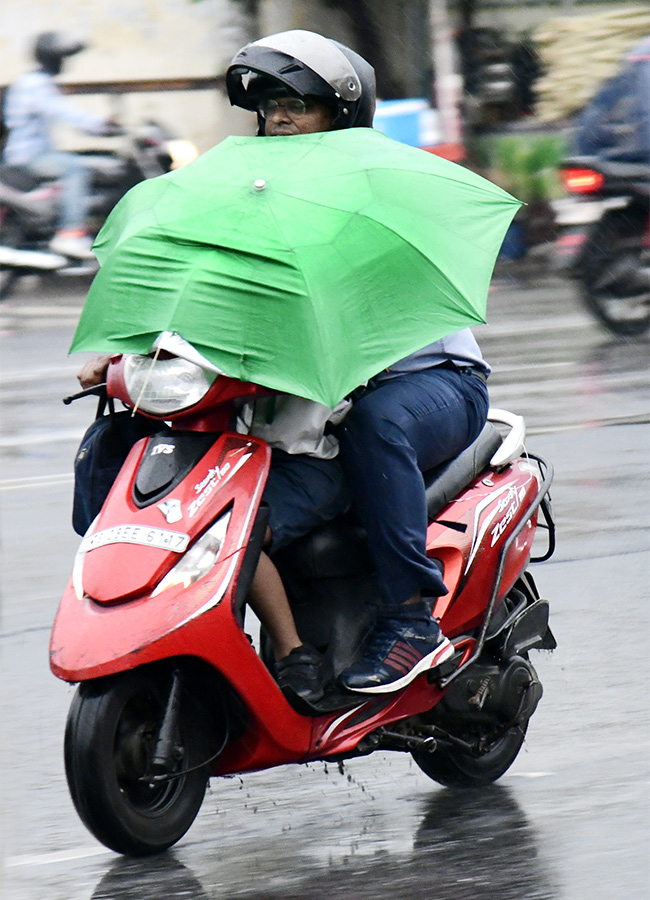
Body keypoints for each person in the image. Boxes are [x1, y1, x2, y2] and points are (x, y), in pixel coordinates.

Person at [227, 31, 490, 695]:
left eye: (296, 105)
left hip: (429, 384)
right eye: (269, 107)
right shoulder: (249, 195)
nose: (277, 119)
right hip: (322, 396)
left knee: (377, 423)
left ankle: (410, 622)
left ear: (339, 116)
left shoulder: (375, 191)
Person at [2, 32, 117, 259]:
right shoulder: (34, 84)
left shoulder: (37, 82)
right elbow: (61, 111)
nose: (64, 64)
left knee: (101, 163)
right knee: (75, 168)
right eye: (61, 58)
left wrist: (96, 128)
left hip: (34, 153)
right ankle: (70, 233)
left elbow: (65, 116)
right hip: (28, 157)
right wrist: (100, 124)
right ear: (51, 58)